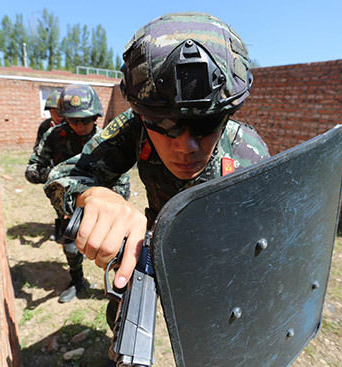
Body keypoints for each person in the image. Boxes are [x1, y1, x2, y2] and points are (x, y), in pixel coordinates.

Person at [44, 13, 269, 313]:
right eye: (164, 124)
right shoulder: (135, 128)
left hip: (216, 267)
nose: (186, 147)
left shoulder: (249, 152)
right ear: (141, 114)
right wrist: (91, 195)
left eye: (207, 124)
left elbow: (266, 236)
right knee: (123, 312)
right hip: (153, 249)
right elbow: (66, 175)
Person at [26, 84, 130, 303]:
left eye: (86, 120)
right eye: (74, 121)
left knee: (113, 249)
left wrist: (111, 203)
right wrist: (58, 181)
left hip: (102, 207)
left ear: (96, 117)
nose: (80, 126)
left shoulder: (107, 140)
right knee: (72, 248)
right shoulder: (53, 135)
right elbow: (33, 169)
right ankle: (77, 281)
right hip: (67, 207)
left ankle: (122, 289)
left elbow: (122, 181)